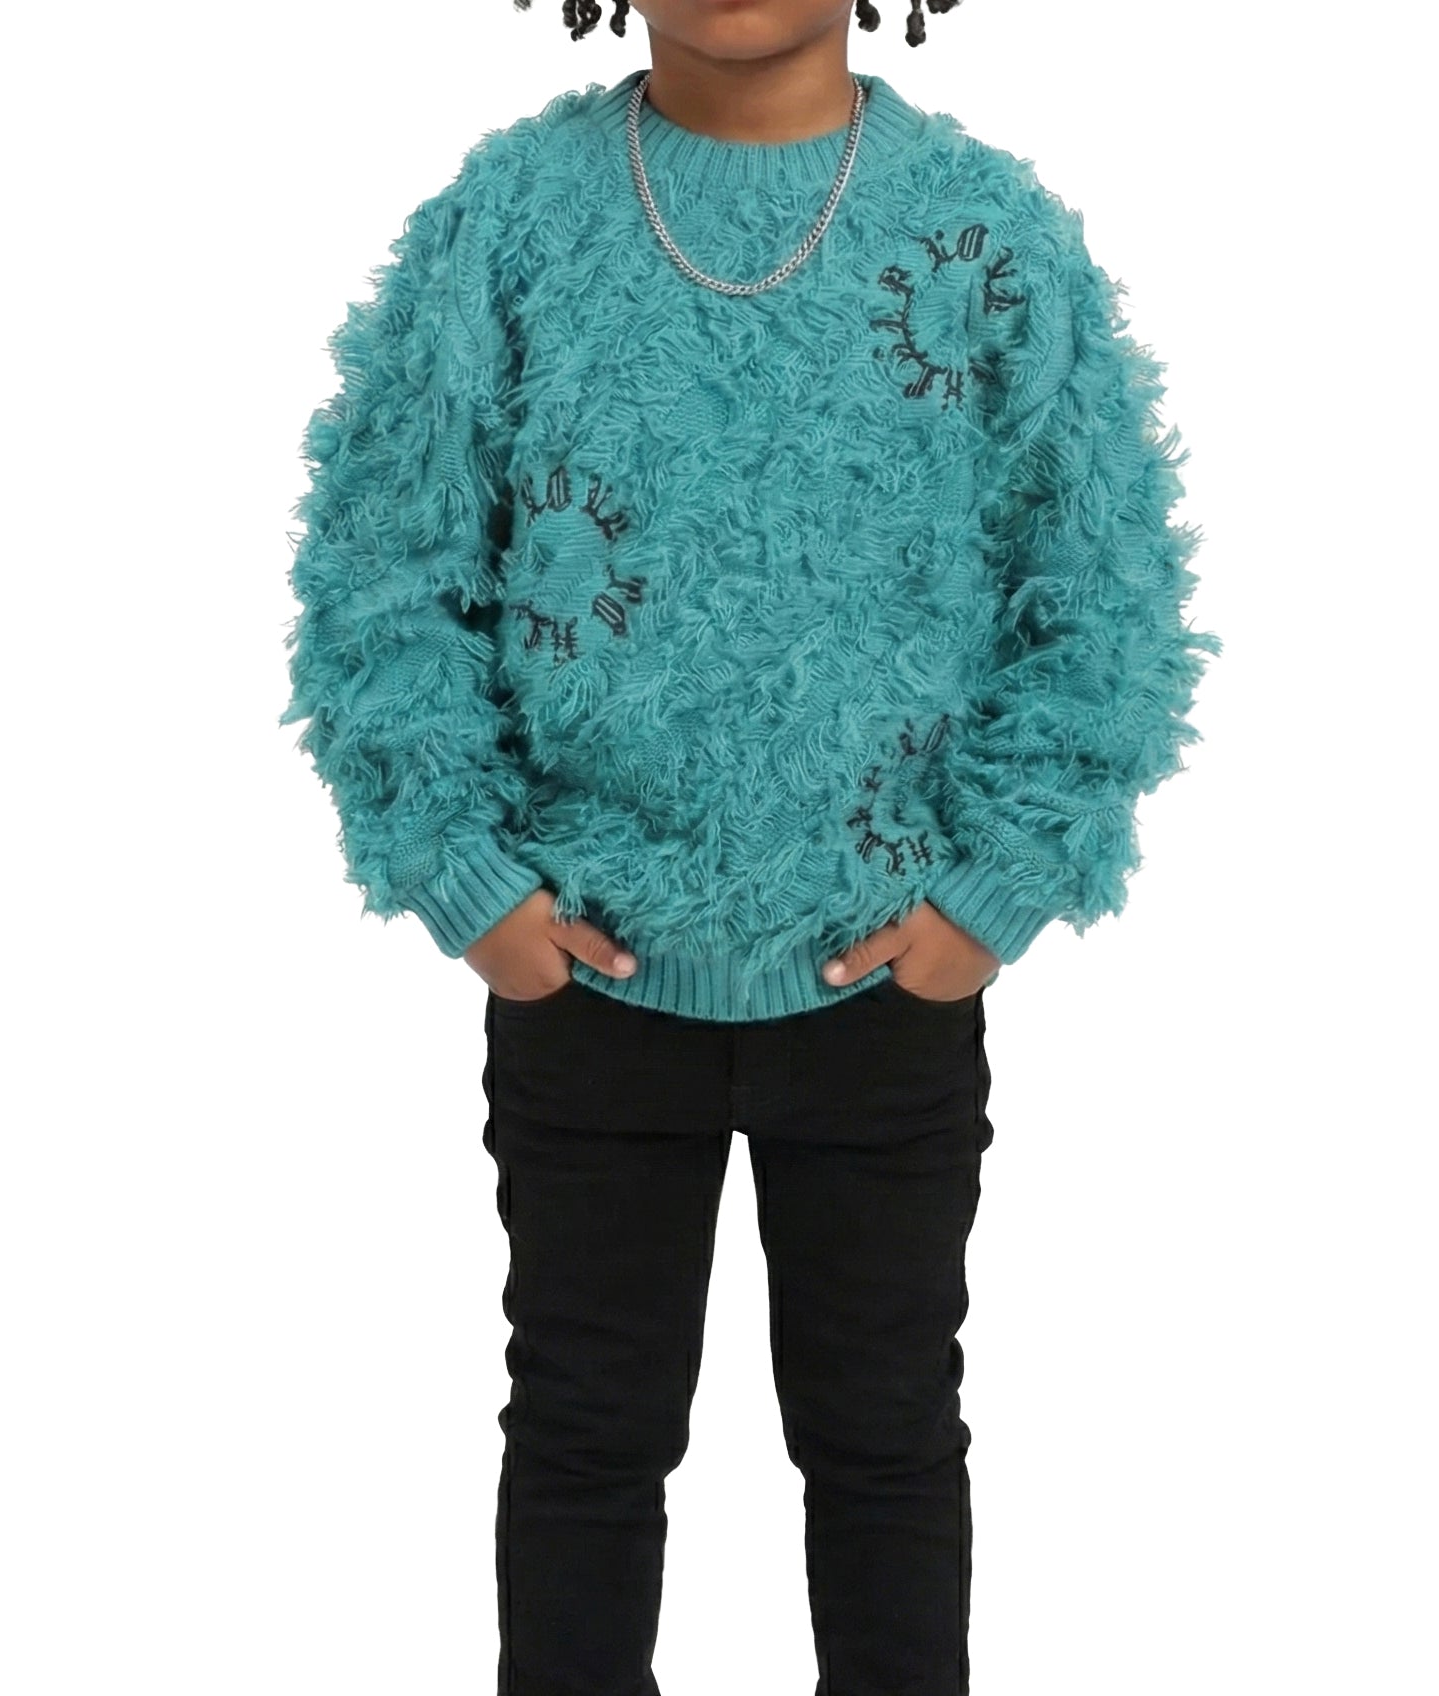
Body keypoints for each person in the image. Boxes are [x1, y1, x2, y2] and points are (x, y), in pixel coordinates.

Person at [279, 2, 1220, 1690]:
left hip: (885, 982)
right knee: (584, 1436)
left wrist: (994, 889)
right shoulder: (508, 222)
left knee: (885, 1441)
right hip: (586, 977)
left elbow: (1105, 579)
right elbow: (383, 560)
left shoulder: (986, 232)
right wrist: (468, 879)